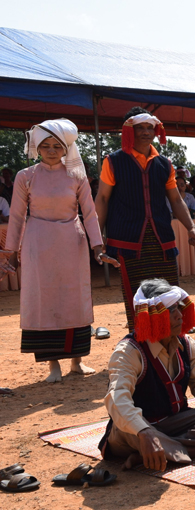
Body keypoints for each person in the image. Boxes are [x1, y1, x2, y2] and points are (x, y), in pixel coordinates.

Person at [1, 119, 116, 383]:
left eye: (57, 146)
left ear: (66, 149)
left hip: (71, 242)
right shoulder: (25, 176)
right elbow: (17, 217)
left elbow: (89, 213)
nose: (52, 151)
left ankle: (77, 361)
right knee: (43, 300)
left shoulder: (77, 175)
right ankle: (53, 365)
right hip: (37, 243)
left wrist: (97, 247)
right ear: (36, 147)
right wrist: (11, 254)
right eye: (46, 146)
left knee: (74, 299)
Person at [99, 279, 195, 471]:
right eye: (170, 311)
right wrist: (145, 431)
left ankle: (156, 452)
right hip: (137, 429)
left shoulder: (187, 344)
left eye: (179, 308)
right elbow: (117, 401)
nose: (180, 316)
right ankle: (188, 450)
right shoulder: (128, 352)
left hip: (175, 422)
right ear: (150, 317)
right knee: (128, 431)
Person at [95, 108, 195, 331]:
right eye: (140, 128)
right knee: (137, 295)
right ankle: (142, 346)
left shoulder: (164, 163)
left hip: (161, 237)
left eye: (149, 128)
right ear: (129, 131)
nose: (145, 132)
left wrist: (191, 227)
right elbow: (103, 199)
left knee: (169, 293)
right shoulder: (113, 161)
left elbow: (175, 199)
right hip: (127, 238)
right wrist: (98, 239)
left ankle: (172, 342)